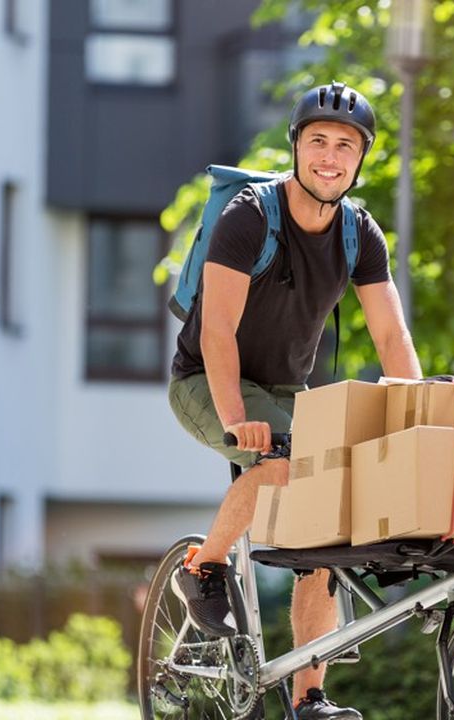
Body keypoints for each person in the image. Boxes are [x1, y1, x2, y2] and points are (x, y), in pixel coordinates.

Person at [167, 81, 422, 720]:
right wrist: (235, 419)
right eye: (318, 142)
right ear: (296, 147)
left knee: (324, 539)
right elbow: (216, 329)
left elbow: (391, 335)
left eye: (345, 146)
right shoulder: (250, 216)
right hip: (206, 380)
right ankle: (204, 566)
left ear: (360, 159)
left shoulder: (360, 234)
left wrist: (421, 423)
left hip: (284, 392)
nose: (330, 157)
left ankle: (309, 697)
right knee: (281, 463)